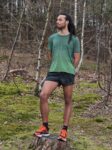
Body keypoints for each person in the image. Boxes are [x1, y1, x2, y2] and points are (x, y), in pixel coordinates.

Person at [34, 13, 80, 142]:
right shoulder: (52, 38)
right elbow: (49, 55)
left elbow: (77, 57)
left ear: (67, 22)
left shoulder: (74, 39)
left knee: (68, 101)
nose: (57, 21)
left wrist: (70, 68)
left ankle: (64, 130)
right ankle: (45, 127)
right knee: (43, 95)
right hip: (53, 72)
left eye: (60, 19)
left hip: (68, 73)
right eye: (56, 19)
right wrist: (55, 63)